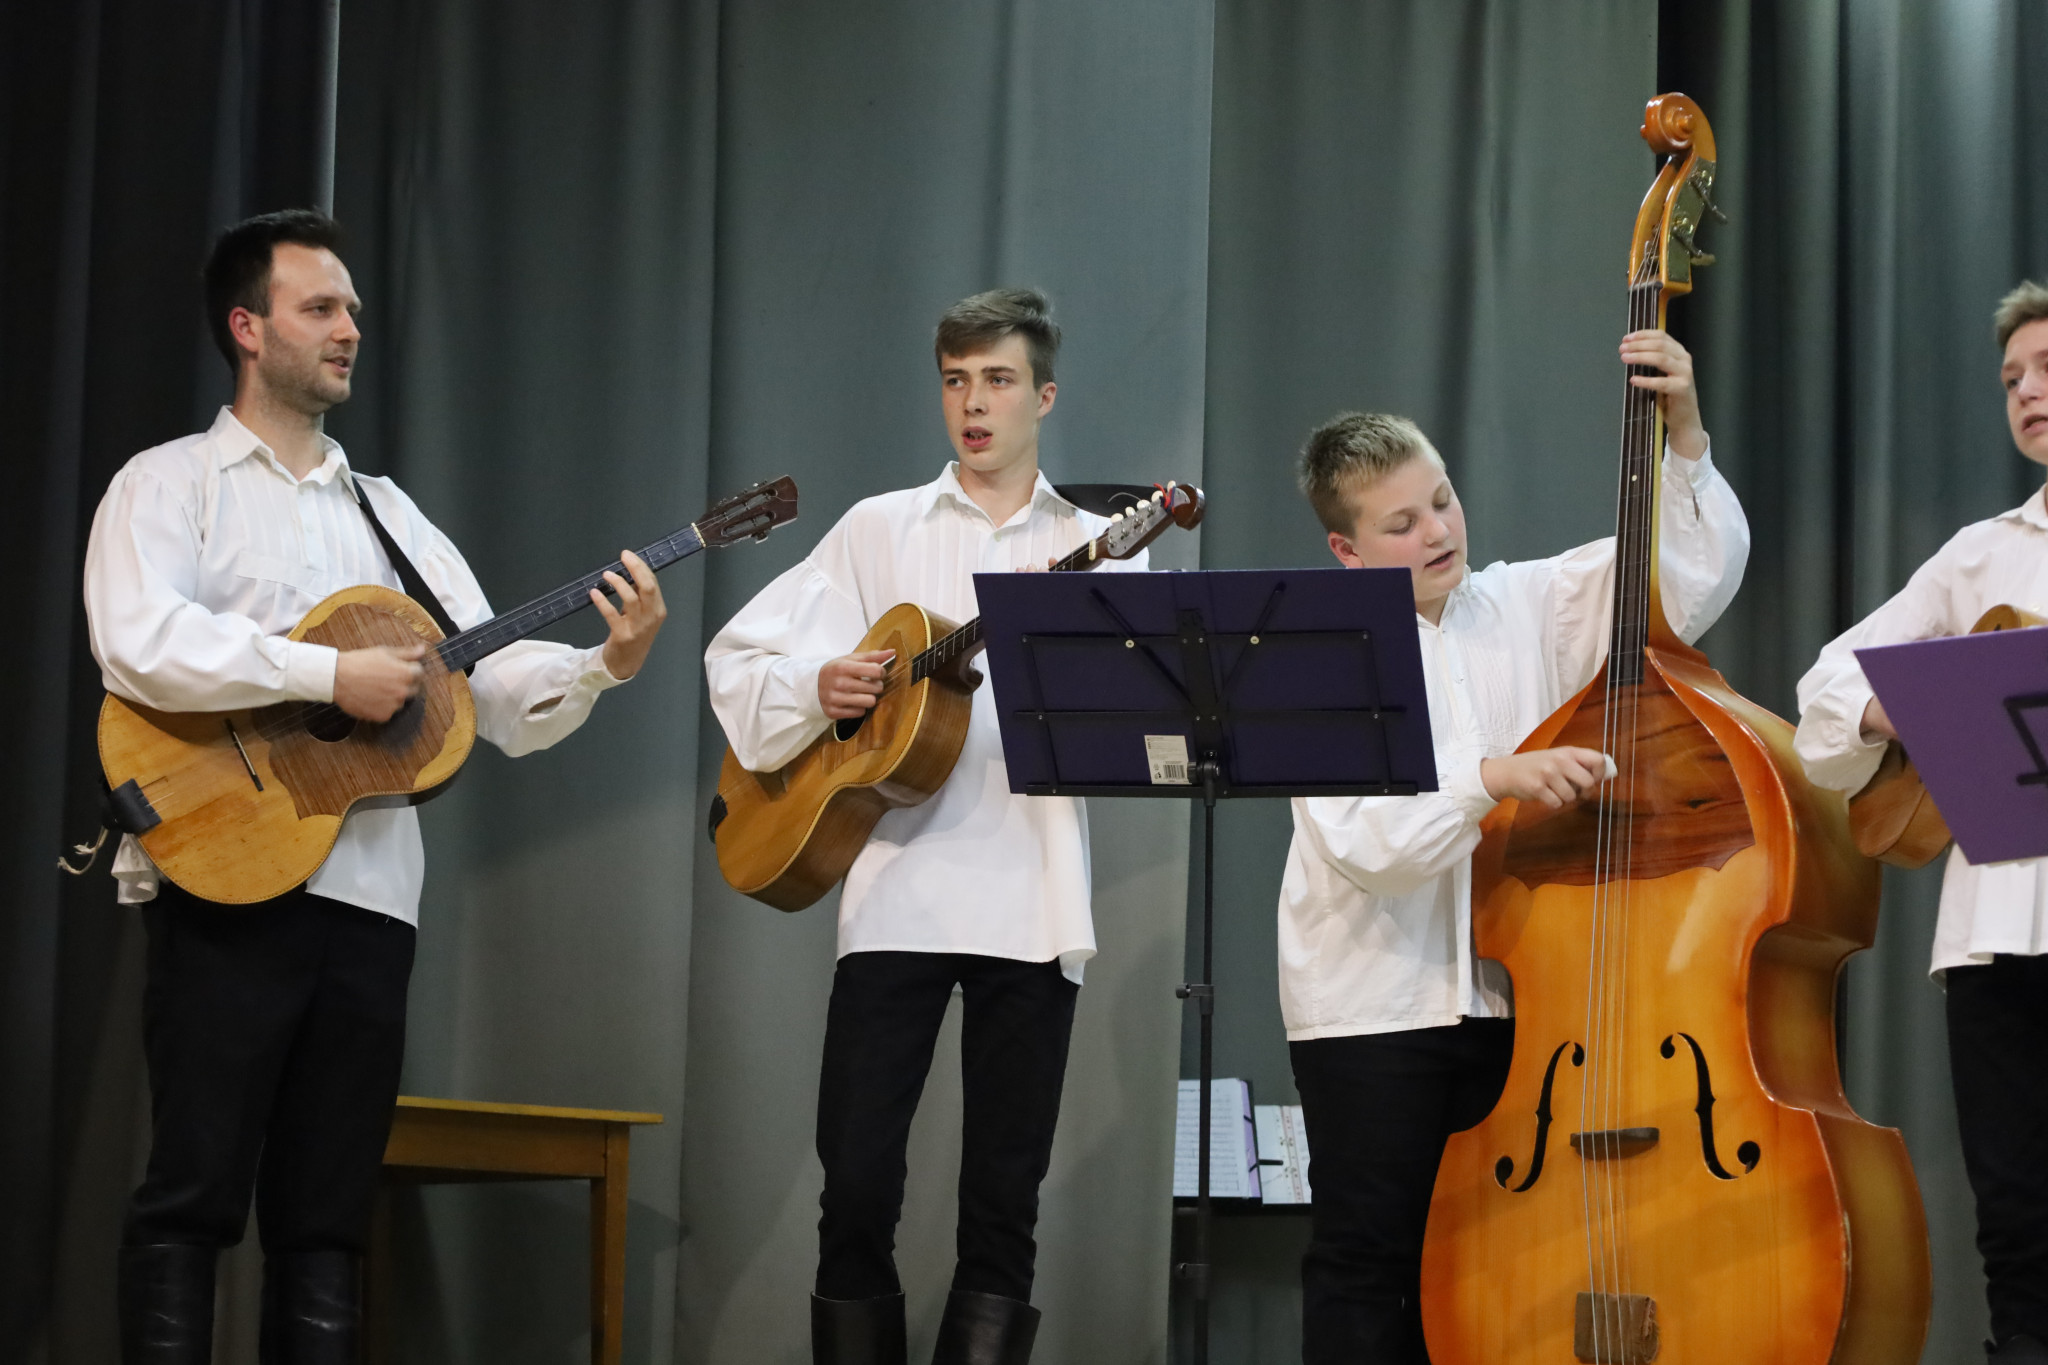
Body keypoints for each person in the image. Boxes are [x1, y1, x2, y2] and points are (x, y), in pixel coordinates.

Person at [83, 210, 666, 1364]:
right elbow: (138, 643)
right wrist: (324, 675)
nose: (350, 327)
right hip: (226, 876)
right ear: (248, 328)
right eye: (320, 307)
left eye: (350, 307)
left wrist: (606, 661)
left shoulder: (390, 517)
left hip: (370, 901)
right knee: (193, 1194)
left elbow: (493, 691)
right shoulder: (168, 483)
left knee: (327, 1219)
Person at [1277, 332, 1749, 1364]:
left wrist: (1683, 434)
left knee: (1497, 1272)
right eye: (1401, 523)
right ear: (1346, 552)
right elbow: (1368, 843)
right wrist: (1492, 776)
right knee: (1367, 1265)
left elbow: (1685, 581)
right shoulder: (1322, 657)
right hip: (1374, 1007)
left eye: (1441, 499)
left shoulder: (1533, 601)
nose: (1437, 530)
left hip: (1518, 1005)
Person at [705, 288, 1143, 1365]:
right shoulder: (879, 527)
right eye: (955, 381)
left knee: (1003, 1201)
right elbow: (740, 658)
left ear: (1044, 396)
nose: (973, 403)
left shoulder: (1100, 544)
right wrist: (821, 681)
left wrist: (1065, 647)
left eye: (997, 380)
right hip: (892, 887)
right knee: (855, 1183)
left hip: (1031, 898)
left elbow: (1140, 722)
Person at [1794, 281, 2048, 1365]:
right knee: (2020, 1228)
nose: (2026, 392)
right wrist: (1905, 708)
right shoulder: (1979, 555)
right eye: (2011, 378)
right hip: (1998, 941)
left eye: (2046, 370)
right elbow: (1822, 691)